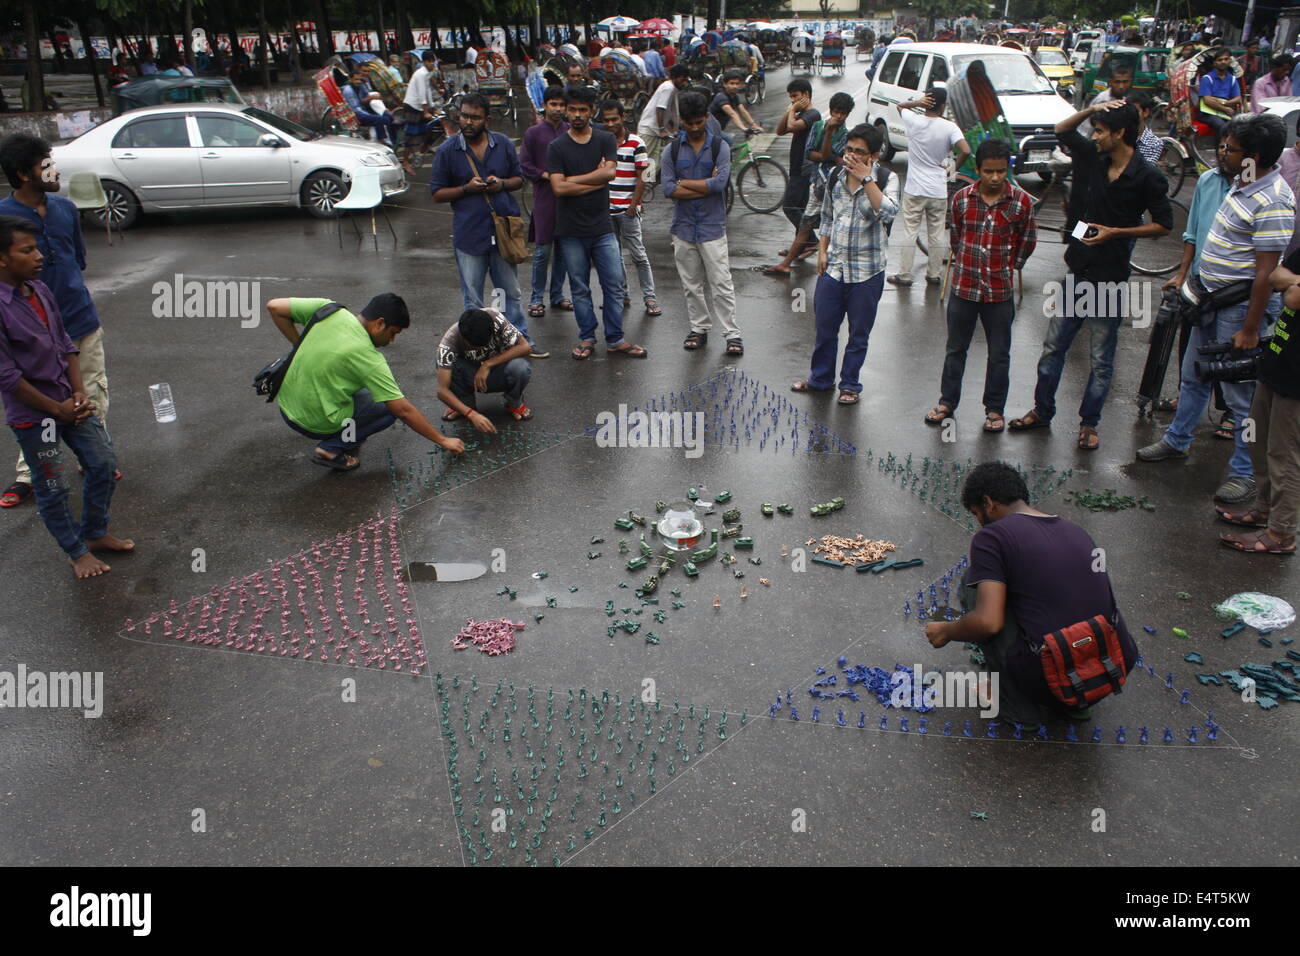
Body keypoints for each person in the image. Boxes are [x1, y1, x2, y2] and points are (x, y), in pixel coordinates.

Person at [1137, 113, 1292, 507]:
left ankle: (1245, 473)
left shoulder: (1273, 199)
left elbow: (1266, 274)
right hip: (1207, 300)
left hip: (1239, 312)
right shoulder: (1238, 184)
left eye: (1231, 148)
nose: (1222, 153)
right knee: (1192, 377)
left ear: (1253, 156)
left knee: (1243, 401)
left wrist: (1251, 328)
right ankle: (1177, 440)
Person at [1009, 101, 1172, 451]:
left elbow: (1164, 224)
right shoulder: (1093, 159)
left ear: (1120, 134)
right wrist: (1093, 109)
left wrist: (1116, 232)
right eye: (1094, 130)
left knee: (1101, 359)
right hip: (1078, 270)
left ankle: (1089, 424)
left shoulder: (1147, 176)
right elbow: (1062, 131)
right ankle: (1042, 411)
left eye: (1100, 130)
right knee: (1053, 349)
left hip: (1111, 277)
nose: (1094, 136)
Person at [924, 462, 1139, 727]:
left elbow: (987, 623)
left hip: (1048, 677)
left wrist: (946, 630)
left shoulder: (992, 537)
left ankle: (1017, 707)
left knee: (973, 582)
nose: (978, 523)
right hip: (1110, 667)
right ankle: (1077, 705)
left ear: (989, 503)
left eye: (976, 513)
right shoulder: (1076, 532)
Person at [0, 216, 130, 579]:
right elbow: (8, 376)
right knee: (53, 484)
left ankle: (95, 532)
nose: (39, 256)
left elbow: (65, 345)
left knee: (102, 462)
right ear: (2, 259)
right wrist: (57, 409)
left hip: (69, 402)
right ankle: (76, 551)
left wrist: (78, 393)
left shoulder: (40, 291)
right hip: (35, 416)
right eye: (27, 250)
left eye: (37, 247)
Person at [0, 134, 112, 510]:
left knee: (91, 390)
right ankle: (30, 473)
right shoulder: (3, 220)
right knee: (36, 402)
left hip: (78, 318)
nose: (54, 170)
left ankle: (96, 457)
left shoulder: (66, 209)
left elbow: (77, 260)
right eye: (45, 164)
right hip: (27, 334)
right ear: (22, 173)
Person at [271, 292, 464, 471]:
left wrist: (298, 346)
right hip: (312, 422)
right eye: (393, 333)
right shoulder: (369, 358)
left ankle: (345, 433)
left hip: (286, 405)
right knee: (388, 408)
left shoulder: (329, 309)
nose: (392, 340)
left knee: (365, 387)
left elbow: (274, 306)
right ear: (380, 323)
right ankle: (331, 448)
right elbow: (403, 411)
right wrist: (443, 441)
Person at [924, 139, 1036, 433]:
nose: (995, 178)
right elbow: (957, 238)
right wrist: (968, 264)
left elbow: (1027, 241)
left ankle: (995, 410)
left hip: (999, 293)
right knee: (955, 349)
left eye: (1001, 171)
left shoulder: (1020, 202)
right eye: (989, 171)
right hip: (964, 289)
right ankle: (947, 402)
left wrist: (1010, 267)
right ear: (978, 170)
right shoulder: (961, 199)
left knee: (999, 354)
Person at [430, 93, 547, 359]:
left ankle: (520, 342)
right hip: (469, 234)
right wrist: (465, 189)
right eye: (464, 116)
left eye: (474, 117)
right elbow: (437, 193)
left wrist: (502, 184)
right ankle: (476, 349)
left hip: (503, 232)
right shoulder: (448, 150)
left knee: (510, 294)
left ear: (487, 119)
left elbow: (519, 179)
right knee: (473, 299)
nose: (468, 122)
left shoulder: (503, 144)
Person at [791, 124, 897, 404]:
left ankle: (850, 385)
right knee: (825, 329)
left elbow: (887, 212)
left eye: (859, 152)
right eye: (849, 150)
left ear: (873, 155)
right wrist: (822, 250)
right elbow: (827, 215)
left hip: (868, 271)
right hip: (834, 267)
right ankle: (821, 379)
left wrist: (866, 180)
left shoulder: (886, 178)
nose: (851, 156)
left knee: (858, 334)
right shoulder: (836, 175)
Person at [547, 85, 646, 360]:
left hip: (602, 228)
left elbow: (610, 173)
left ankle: (615, 338)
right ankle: (587, 338)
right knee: (579, 288)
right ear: (566, 112)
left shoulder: (604, 139)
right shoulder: (557, 147)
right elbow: (558, 189)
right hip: (570, 230)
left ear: (592, 112)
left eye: (582, 110)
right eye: (572, 109)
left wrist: (573, 180)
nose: (577, 115)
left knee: (613, 284)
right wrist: (595, 177)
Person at [1216, 252, 1300, 553]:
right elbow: (1276, 277)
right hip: (1276, 363)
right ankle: (1263, 510)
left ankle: (1281, 533)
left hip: (1296, 380)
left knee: (1285, 456)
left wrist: (1292, 283)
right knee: (1257, 439)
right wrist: (1292, 281)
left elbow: (1293, 299)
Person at [663, 92, 740, 356]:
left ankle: (732, 333)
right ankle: (699, 329)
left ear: (706, 118)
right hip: (683, 228)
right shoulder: (671, 149)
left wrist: (684, 183)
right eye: (689, 123)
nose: (695, 128)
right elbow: (667, 189)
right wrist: (705, 186)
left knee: (721, 283)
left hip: (712, 227)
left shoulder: (721, 147)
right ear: (681, 121)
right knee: (691, 284)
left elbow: (720, 185)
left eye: (699, 122)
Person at [761, 91, 855, 277]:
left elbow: (827, 156)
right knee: (806, 225)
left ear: (847, 114)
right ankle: (786, 264)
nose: (838, 116)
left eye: (842, 113)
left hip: (836, 188)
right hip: (818, 186)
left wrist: (828, 141)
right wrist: (827, 153)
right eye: (835, 112)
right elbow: (812, 154)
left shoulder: (845, 135)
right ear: (831, 110)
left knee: (837, 227)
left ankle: (835, 266)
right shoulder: (818, 126)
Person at [888, 87, 969, 288]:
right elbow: (966, 150)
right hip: (938, 188)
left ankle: (904, 274)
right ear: (943, 105)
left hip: (915, 188)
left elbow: (900, 106)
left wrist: (916, 103)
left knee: (910, 231)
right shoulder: (950, 128)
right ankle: (934, 274)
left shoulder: (913, 120)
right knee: (936, 233)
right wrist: (951, 170)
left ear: (926, 102)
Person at [601, 100, 659, 317]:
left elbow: (644, 177)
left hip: (629, 210)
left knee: (638, 255)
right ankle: (622, 295)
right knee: (614, 256)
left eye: (614, 119)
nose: (610, 123)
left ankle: (650, 297)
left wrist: (633, 206)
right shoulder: (603, 144)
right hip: (607, 211)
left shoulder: (637, 143)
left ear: (622, 118)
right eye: (606, 120)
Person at [520, 85, 573, 320]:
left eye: (562, 105)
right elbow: (524, 164)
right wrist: (545, 175)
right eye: (554, 104)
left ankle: (557, 295)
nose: (558, 109)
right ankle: (536, 298)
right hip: (544, 199)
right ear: (545, 105)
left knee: (563, 250)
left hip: (568, 199)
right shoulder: (533, 134)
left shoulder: (570, 131)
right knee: (543, 250)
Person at [437, 307, 534, 425]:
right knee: (445, 364)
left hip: (498, 370)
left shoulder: (496, 319)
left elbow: (525, 347)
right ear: (464, 338)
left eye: (485, 344)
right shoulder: (449, 342)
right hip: (470, 374)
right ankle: (465, 404)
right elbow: (442, 390)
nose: (482, 349)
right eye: (475, 347)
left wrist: (487, 364)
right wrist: (470, 413)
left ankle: (514, 403)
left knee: (521, 367)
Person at [776, 78, 820, 258]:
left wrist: (792, 111)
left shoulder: (812, 114)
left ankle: (812, 240)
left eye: (795, 96)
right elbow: (780, 131)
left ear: (806, 95)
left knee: (790, 207)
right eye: (791, 97)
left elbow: (792, 126)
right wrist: (790, 110)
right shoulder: (799, 113)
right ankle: (799, 246)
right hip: (796, 168)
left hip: (804, 169)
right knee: (799, 208)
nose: (792, 100)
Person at [637, 64, 691, 184]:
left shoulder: (672, 89)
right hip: (650, 129)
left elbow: (671, 112)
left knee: (653, 161)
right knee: (645, 160)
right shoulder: (668, 88)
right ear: (676, 78)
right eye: (682, 80)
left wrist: (673, 128)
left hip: (654, 130)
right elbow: (660, 108)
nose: (684, 83)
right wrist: (662, 129)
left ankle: (647, 187)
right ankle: (641, 187)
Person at [399, 51, 450, 175]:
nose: (433, 64)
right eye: (431, 62)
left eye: (434, 62)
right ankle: (405, 162)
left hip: (421, 106)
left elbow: (428, 91)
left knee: (433, 126)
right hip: (412, 106)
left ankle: (424, 149)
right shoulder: (421, 74)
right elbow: (422, 94)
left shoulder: (428, 73)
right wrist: (426, 111)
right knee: (411, 136)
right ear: (426, 62)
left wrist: (433, 108)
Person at [342, 62, 396, 144]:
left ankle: (393, 140)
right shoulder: (348, 90)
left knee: (389, 117)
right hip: (358, 114)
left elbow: (366, 95)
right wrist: (370, 115)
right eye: (356, 79)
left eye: (359, 79)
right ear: (351, 79)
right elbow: (356, 108)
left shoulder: (362, 84)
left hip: (366, 108)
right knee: (382, 119)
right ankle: (381, 140)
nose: (359, 81)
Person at [1197, 48, 1243, 138]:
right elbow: (1207, 100)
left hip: (1225, 111)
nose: (1223, 62)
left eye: (1226, 59)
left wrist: (1223, 103)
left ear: (1229, 61)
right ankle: (1220, 151)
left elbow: (1238, 98)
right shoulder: (1207, 78)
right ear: (1215, 63)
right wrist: (1225, 108)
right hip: (1208, 113)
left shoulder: (1232, 79)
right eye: (1220, 60)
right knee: (1221, 126)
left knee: (1242, 125)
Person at [1078, 63, 1133, 138]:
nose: (1121, 86)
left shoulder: (1126, 98)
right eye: (1117, 82)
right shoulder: (1103, 100)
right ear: (1110, 82)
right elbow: (1089, 128)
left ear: (1130, 82)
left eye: (1125, 82)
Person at [709, 70, 761, 146]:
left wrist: (753, 125)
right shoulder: (721, 97)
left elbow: (743, 111)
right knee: (728, 140)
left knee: (727, 142)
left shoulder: (734, 96)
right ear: (725, 84)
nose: (735, 86)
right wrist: (744, 129)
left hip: (716, 130)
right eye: (731, 83)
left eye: (737, 84)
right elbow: (732, 114)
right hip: (708, 130)